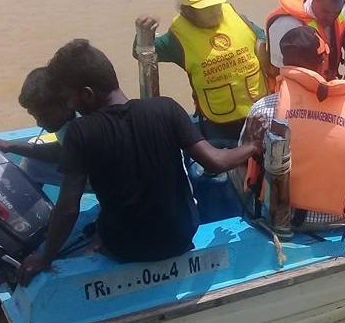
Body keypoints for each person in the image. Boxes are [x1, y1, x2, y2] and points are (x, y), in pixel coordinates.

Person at [18, 39, 262, 283]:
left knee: (94, 226)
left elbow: (69, 207)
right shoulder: (167, 108)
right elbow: (216, 162)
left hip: (125, 247)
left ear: (87, 94)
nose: (70, 105)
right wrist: (252, 146)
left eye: (69, 98)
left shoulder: (80, 133)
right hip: (179, 237)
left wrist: (45, 257)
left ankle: (98, 240)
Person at [244, 26, 345, 227]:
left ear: (285, 63)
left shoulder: (262, 109)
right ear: (322, 63)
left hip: (279, 217)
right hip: (334, 221)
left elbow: (246, 164)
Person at [134, 0, 269, 144]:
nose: (215, 11)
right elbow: (142, 53)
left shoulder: (238, 19)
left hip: (258, 111)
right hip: (218, 122)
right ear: (189, 12)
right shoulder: (177, 40)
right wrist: (143, 33)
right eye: (206, 8)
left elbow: (261, 37)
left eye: (216, 4)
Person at [0, 66, 74, 163]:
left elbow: (69, 154)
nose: (39, 123)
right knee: (31, 157)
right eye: (35, 116)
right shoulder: (62, 118)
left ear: (68, 102)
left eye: (45, 116)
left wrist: (11, 147)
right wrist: (9, 146)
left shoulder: (86, 129)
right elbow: (65, 149)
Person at [266, 0, 345, 80]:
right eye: (325, 11)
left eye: (336, 12)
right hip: (296, 88)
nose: (331, 17)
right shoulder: (286, 25)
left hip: (327, 84)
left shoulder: (339, 15)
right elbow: (278, 69)